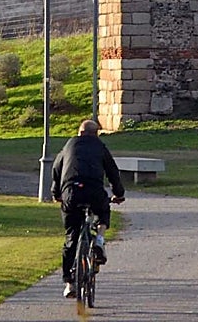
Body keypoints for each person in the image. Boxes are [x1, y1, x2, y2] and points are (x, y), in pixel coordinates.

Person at [51, 118, 125, 298]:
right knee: (102, 209)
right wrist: (119, 194)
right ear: (96, 134)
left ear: (80, 132)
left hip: (71, 191)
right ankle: (99, 239)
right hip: (93, 191)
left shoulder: (69, 145)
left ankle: (69, 283)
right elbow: (113, 172)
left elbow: (56, 169)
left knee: (71, 238)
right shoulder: (100, 146)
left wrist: (56, 193)